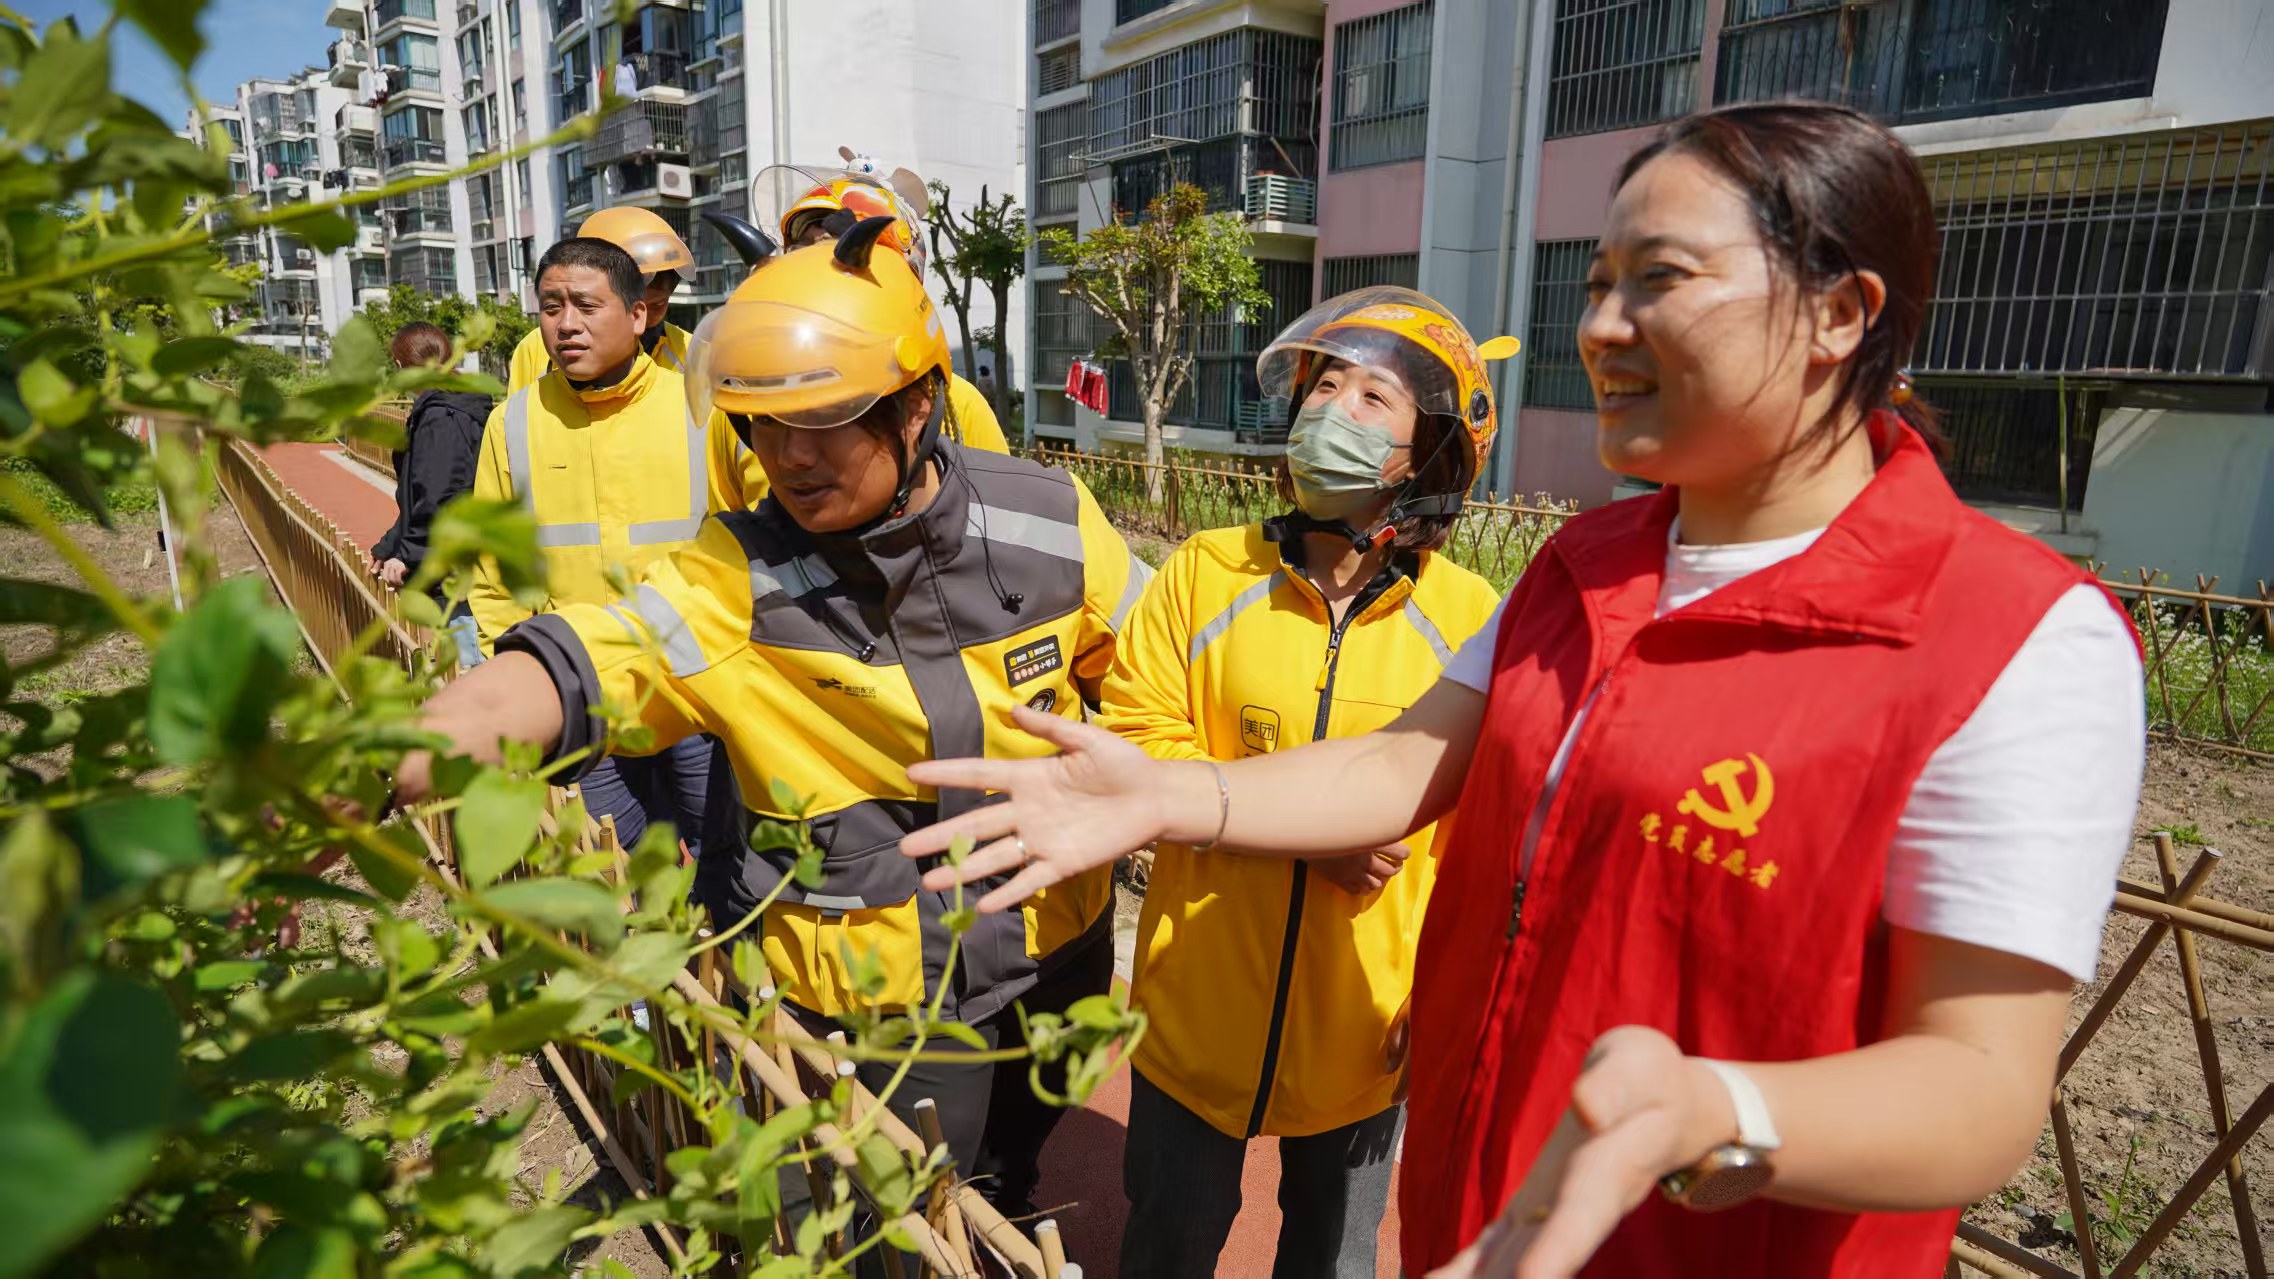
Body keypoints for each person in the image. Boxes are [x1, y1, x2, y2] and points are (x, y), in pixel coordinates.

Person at [897, 102, 2146, 1279]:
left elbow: (1983, 1090)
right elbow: (1401, 768)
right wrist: (1173, 793)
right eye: (1596, 285)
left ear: (1841, 313)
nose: (1601, 326)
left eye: (1658, 279)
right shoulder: (1579, 568)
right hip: (1475, 1209)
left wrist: (1724, 1107)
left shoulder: (2016, 637)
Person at [397, 214, 1151, 1226]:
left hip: (1057, 961)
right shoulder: (733, 577)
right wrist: (374, 760)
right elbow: (577, 663)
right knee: (866, 1229)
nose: (785, 457)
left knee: (1006, 1192)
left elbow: (1158, 682)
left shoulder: (1048, 522)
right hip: (873, 1011)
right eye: (760, 424)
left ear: (917, 407)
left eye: (822, 421)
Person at [1102, 289, 1507, 1279]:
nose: (1335, 409)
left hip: (1366, 1026)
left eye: (1374, 398)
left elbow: (1481, 829)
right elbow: (1138, 743)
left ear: (1428, 457)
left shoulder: (1470, 618)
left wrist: (1449, 988)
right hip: (1197, 1012)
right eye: (1326, 384)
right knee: (1166, 1247)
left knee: (1335, 1261)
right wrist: (1302, 830)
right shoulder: (1204, 573)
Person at [468, 236, 710, 860]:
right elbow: (495, 573)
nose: (566, 324)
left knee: (724, 863)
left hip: (696, 687)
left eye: (585, 305)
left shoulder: (700, 407)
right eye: (551, 307)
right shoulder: (513, 422)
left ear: (638, 315)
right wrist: (532, 677)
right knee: (614, 869)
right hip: (581, 692)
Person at [696, 162, 1007, 520]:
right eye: (802, 254)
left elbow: (994, 528)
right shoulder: (746, 403)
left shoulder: (956, 402)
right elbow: (730, 541)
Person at [368, 321, 491, 668]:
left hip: (455, 564)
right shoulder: (454, 406)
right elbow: (419, 495)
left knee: (469, 664)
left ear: (399, 367)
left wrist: (406, 555)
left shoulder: (441, 417)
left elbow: (440, 496)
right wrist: (391, 544)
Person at [506, 207, 694, 394]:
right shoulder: (538, 348)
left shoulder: (690, 350)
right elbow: (520, 416)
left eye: (657, 305)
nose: (660, 288)